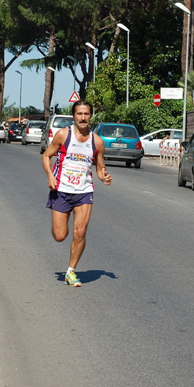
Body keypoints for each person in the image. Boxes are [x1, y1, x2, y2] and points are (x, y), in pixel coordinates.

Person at [42, 99, 112, 287]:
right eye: (79, 114)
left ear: (91, 116)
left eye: (86, 114)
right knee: (60, 235)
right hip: (61, 190)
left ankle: (71, 271)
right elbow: (47, 156)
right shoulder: (63, 135)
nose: (83, 117)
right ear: (74, 115)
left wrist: (103, 176)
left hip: (84, 191)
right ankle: (58, 227)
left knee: (80, 232)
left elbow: (99, 167)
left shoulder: (97, 141)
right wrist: (50, 175)